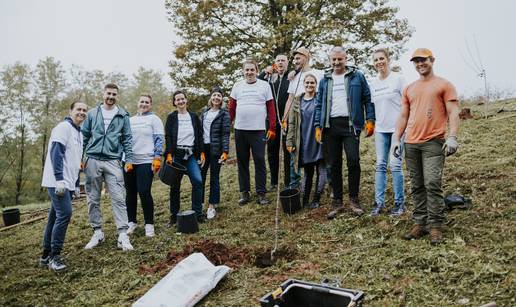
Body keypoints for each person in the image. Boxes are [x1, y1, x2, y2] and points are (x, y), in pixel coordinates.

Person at [393, 48, 460, 245]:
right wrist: (397, 139)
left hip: (433, 142)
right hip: (411, 143)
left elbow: (453, 112)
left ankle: (436, 226)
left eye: (423, 60)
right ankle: (420, 223)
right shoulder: (410, 88)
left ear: (432, 60)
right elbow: (404, 115)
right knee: (417, 185)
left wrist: (453, 136)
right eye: (416, 61)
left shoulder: (444, 85)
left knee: (432, 183)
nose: (420, 64)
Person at [314, 46, 375, 219]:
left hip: (350, 125)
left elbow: (367, 99)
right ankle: (337, 201)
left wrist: (370, 120)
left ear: (345, 59)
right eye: (333, 59)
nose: (336, 62)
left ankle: (354, 199)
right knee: (333, 164)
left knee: (353, 161)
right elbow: (319, 104)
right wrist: (318, 126)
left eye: (340, 59)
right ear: (330, 60)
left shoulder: (357, 76)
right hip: (330, 126)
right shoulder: (325, 79)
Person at [82, 83, 134, 251]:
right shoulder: (91, 114)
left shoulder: (123, 115)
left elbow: (127, 139)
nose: (111, 97)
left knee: (119, 198)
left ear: (117, 96)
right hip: (92, 159)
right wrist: (81, 159)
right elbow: (84, 137)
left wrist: (129, 160)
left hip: (113, 161)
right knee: (93, 198)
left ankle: (123, 235)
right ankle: (97, 232)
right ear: (103, 94)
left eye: (114, 94)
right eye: (108, 93)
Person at [40, 102, 88, 271]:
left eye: (84, 110)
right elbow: (56, 153)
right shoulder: (63, 127)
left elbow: (75, 162)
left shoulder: (79, 133)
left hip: (68, 182)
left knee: (54, 216)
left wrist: (75, 184)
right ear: (71, 111)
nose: (81, 112)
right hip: (57, 182)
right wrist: (59, 179)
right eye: (78, 110)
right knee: (65, 215)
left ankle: (46, 255)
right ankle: (55, 257)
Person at [228, 59, 277, 205]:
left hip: (258, 130)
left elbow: (271, 108)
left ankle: (261, 193)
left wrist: (272, 128)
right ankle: (245, 192)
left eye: (252, 70)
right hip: (240, 130)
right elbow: (231, 108)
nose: (249, 72)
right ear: (243, 71)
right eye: (246, 70)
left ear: (257, 71)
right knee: (242, 161)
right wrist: (227, 125)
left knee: (260, 160)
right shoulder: (237, 86)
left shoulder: (265, 85)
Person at [369, 48, 407, 217]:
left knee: (395, 164)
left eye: (382, 58)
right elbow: (371, 106)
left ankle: (400, 204)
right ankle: (379, 204)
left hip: (397, 130)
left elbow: (407, 104)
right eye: (376, 60)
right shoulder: (373, 83)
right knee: (380, 165)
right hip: (381, 130)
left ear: (388, 59)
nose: (379, 62)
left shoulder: (398, 79)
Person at [124, 94, 164, 237]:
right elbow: (125, 140)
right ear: (137, 103)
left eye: (147, 102)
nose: (144, 104)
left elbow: (159, 139)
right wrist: (125, 158)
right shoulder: (129, 120)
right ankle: (131, 222)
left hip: (146, 161)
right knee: (130, 193)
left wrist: (157, 158)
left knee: (144, 191)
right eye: (142, 101)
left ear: (150, 104)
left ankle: (149, 224)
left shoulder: (155, 119)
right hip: (129, 161)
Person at [286, 74, 327, 209]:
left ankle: (316, 198)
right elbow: (292, 123)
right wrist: (290, 142)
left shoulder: (320, 99)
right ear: (304, 84)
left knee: (321, 170)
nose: (310, 85)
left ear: (316, 84)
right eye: (307, 83)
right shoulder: (297, 101)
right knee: (308, 172)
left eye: (312, 83)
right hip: (304, 140)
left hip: (319, 139)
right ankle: (304, 200)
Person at [164, 90, 206, 224]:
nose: (180, 101)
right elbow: (169, 136)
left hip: (191, 154)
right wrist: (169, 154)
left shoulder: (194, 117)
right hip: (176, 154)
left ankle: (197, 213)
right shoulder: (171, 117)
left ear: (186, 100)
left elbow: (199, 135)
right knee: (174, 185)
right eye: (177, 99)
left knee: (198, 181)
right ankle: (174, 216)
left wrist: (202, 153)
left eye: (182, 99)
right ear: (174, 102)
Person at [258, 54, 291, 189]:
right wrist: (265, 72)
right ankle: (274, 181)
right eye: (278, 61)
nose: (280, 63)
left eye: (283, 60)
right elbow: (257, 81)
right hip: (271, 122)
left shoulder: (291, 77)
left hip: (287, 120)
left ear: (287, 63)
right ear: (274, 64)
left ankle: (289, 181)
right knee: (272, 151)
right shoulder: (269, 79)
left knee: (288, 150)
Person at [200, 86, 230, 219]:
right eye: (214, 95)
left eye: (219, 95)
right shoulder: (204, 113)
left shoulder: (224, 114)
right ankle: (199, 204)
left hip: (216, 150)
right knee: (200, 178)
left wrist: (225, 151)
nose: (216, 97)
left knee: (214, 178)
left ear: (221, 99)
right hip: (203, 150)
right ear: (211, 98)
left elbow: (225, 134)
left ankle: (212, 206)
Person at [283, 47, 324, 129]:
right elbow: (290, 100)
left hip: (315, 116)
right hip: (298, 116)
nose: (296, 61)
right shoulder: (293, 78)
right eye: (295, 59)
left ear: (306, 57)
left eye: (298, 58)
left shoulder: (319, 74)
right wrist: (284, 119)